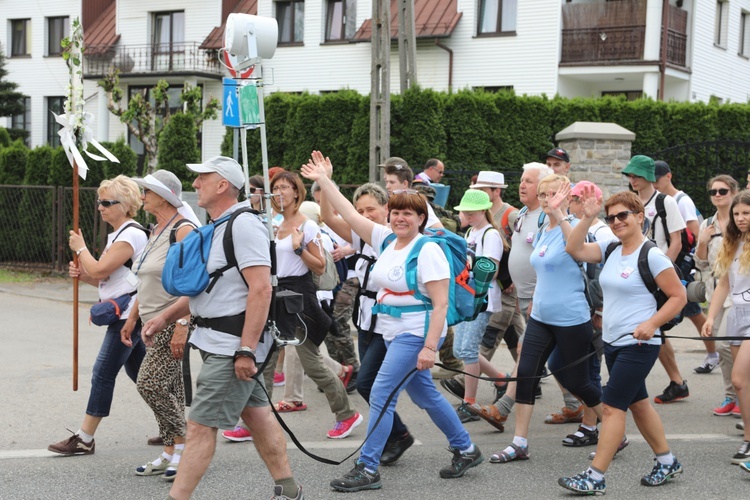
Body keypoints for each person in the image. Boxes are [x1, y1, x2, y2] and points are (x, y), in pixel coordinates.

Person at [303, 151, 483, 492]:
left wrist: (430, 347)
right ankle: (466, 448)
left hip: (414, 334)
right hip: (391, 332)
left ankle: (367, 467)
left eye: (408, 214)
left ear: (420, 217)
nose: (400, 218)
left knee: (382, 392)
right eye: (396, 212)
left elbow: (441, 304)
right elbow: (345, 211)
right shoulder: (386, 239)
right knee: (425, 395)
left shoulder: (427, 248)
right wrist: (325, 180)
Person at [141, 156, 303, 499]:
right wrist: (166, 317)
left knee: (199, 427)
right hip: (223, 343)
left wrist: (246, 349)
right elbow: (211, 285)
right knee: (257, 416)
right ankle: (288, 490)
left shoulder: (242, 226)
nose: (195, 184)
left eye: (203, 178)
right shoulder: (220, 224)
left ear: (223, 185)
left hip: (232, 347)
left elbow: (261, 288)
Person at [560, 189, 686, 494]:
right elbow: (574, 249)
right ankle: (667, 461)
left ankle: (595, 476)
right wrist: (588, 217)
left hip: (640, 345)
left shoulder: (652, 255)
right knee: (639, 405)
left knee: (613, 408)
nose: (616, 221)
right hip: (614, 343)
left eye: (623, 215)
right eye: (611, 216)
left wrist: (652, 323)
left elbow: (678, 296)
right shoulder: (612, 247)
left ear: (639, 217)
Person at [488, 174, 602, 465]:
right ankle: (519, 443)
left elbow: (575, 252)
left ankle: (613, 426)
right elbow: (542, 267)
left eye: (555, 194)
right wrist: (537, 295)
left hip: (571, 317)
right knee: (526, 374)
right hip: (540, 316)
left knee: (578, 380)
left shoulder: (576, 226)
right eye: (544, 195)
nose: (548, 200)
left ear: (567, 198)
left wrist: (561, 214)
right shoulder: (541, 228)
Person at [48, 175, 149, 456]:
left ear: (126, 204)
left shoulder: (131, 234)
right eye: (99, 201)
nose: (100, 207)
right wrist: (83, 275)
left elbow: (101, 269)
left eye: (107, 202)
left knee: (103, 374)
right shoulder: (118, 234)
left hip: (128, 317)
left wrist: (81, 249)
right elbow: (108, 281)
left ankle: (85, 437)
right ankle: (176, 425)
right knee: (144, 376)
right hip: (126, 312)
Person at [322, 182, 417, 464]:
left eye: (371, 209)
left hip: (389, 321)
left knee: (367, 384)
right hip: (365, 319)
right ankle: (458, 444)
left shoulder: (389, 236)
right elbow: (328, 218)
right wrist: (324, 183)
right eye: (360, 210)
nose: (365, 214)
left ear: (386, 208)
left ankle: (396, 436)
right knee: (387, 386)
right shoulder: (362, 236)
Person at [270, 170, 362, 438]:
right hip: (275, 296)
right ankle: (253, 421)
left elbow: (320, 267)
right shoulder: (273, 225)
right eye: (275, 187)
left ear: (297, 192)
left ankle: (347, 414)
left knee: (312, 364)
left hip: (299, 298)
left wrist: (299, 249)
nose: (279, 192)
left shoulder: (306, 225)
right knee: (264, 360)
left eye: (285, 187)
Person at [118, 170, 195, 479]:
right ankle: (169, 452)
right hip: (152, 322)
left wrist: (183, 324)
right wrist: (133, 317)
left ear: (164, 196)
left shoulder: (183, 229)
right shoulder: (156, 230)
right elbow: (145, 280)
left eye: (147, 190)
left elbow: (195, 282)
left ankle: (186, 446)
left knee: (149, 384)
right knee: (171, 390)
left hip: (171, 320)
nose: (142, 195)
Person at [467, 163, 554, 428]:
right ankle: (576, 404)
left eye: (529, 181)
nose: (522, 185)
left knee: (526, 348)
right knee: (554, 355)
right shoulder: (525, 215)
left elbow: (549, 258)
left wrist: (535, 290)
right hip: (524, 297)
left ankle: (503, 406)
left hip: (544, 296)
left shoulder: (547, 218)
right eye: (522, 180)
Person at [622, 155, 690, 404]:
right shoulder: (628, 202)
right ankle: (675, 382)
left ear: (649, 176)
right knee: (652, 329)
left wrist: (662, 273)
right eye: (630, 175)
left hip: (657, 276)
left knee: (653, 328)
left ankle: (634, 383)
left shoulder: (665, 202)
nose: (632, 180)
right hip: (634, 275)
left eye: (636, 175)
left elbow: (676, 241)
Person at [450, 189, 509, 424]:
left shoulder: (490, 235)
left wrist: (469, 267)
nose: (466, 215)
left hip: (481, 299)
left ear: (483, 210)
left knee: (468, 351)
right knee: (460, 350)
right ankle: (500, 378)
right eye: (465, 211)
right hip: (468, 297)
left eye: (471, 212)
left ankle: (470, 402)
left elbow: (491, 271)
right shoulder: (470, 233)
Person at [702, 189, 750, 469]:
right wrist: (710, 317)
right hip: (736, 315)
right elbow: (724, 285)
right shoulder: (732, 242)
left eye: (746, 213)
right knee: (744, 384)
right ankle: (747, 437)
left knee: (740, 379)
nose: (741, 218)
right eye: (737, 213)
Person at [653, 160, 713, 374]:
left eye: (657, 179)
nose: (654, 183)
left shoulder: (680, 200)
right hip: (675, 265)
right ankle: (712, 354)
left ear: (668, 176)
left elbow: (696, 234)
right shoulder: (662, 199)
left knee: (694, 312)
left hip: (680, 266)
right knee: (693, 312)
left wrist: (691, 263)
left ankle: (713, 354)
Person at [695, 175, 741, 417]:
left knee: (728, 344)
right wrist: (702, 242)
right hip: (717, 292)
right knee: (724, 346)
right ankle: (731, 396)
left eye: (722, 191)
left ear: (734, 192)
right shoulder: (708, 224)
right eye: (713, 192)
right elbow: (701, 264)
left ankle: (740, 395)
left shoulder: (741, 220)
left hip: (741, 293)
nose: (717, 195)